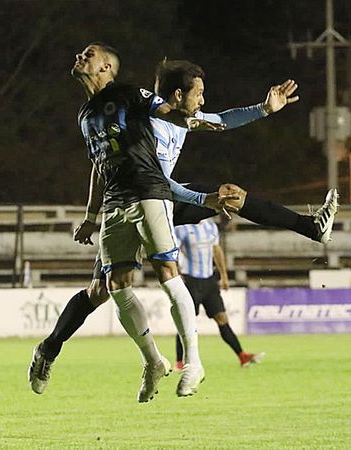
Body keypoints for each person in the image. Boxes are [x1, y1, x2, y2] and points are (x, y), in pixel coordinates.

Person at [28, 57, 339, 395]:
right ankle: (50, 348)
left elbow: (220, 120)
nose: (203, 101)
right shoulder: (154, 124)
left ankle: (311, 228)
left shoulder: (177, 118)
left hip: (158, 201)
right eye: (199, 94)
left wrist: (264, 108)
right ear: (178, 95)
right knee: (100, 290)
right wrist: (201, 199)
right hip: (149, 198)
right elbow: (156, 181)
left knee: (230, 195)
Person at [46, 42, 232, 403]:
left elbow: (168, 111)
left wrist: (204, 120)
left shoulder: (129, 93)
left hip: (149, 190)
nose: (80, 56)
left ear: (106, 68)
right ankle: (152, 361)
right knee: (116, 284)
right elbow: (99, 166)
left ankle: (193, 362)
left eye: (89, 54)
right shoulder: (86, 114)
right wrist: (90, 216)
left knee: (166, 269)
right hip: (115, 203)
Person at [173, 219, 265, 369]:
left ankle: (242, 355)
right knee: (186, 321)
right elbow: (173, 252)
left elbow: (216, 250)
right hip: (190, 280)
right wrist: (176, 276)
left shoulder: (210, 226)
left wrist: (224, 275)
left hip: (209, 281)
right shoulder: (182, 227)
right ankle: (179, 362)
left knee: (222, 318)